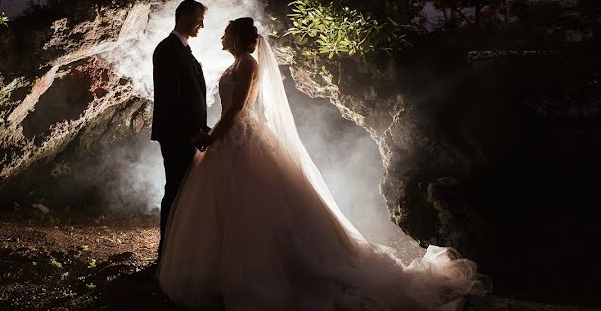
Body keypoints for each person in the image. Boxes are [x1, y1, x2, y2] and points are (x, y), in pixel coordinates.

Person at [157, 17, 487, 310]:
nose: (220, 36)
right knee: (223, 208)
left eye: (227, 32)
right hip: (227, 138)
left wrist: (211, 136)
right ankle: (219, 273)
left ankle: (259, 274)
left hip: (238, 137)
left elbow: (237, 109)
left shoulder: (248, 65)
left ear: (239, 37)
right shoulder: (234, 65)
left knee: (252, 210)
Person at [151, 0, 209, 262]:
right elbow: (169, 98)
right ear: (183, 16)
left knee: (183, 191)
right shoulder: (167, 49)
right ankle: (166, 254)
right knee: (175, 190)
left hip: (188, 133)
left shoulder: (184, 51)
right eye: (199, 18)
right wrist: (190, 131)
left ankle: (177, 251)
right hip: (177, 135)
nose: (202, 25)